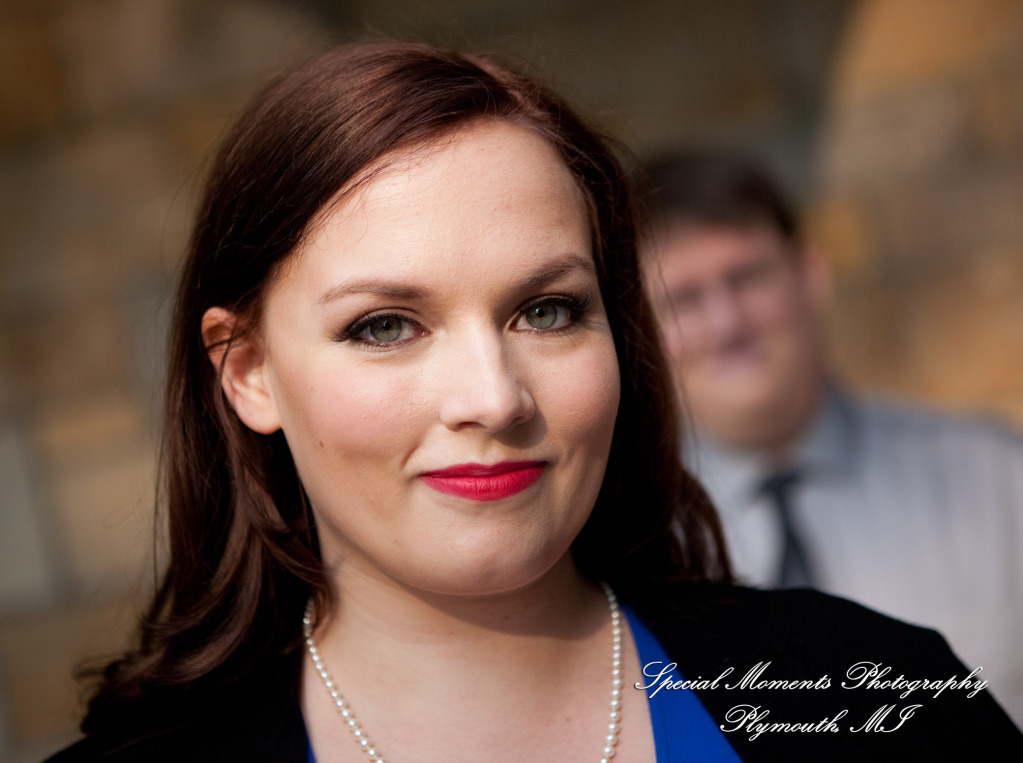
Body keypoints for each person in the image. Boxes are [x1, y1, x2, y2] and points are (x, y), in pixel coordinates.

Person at [47, 43, 1020, 763]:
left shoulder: (879, 692)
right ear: (248, 370)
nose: (491, 396)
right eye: (386, 324)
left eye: (546, 310)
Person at [640, 149, 1023, 726]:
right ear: (640, 330)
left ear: (810, 276)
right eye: (684, 300)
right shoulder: (638, 547)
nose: (727, 324)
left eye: (747, 278)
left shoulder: (998, 482)